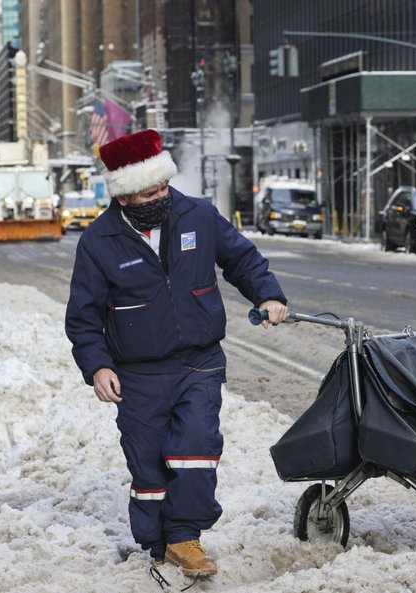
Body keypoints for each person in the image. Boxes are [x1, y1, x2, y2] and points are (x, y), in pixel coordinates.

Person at [65, 129, 288, 578]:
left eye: (163, 186)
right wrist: (98, 366)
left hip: (199, 360)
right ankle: (157, 543)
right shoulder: (99, 241)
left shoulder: (198, 215)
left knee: (195, 448)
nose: (161, 197)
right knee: (147, 461)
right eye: (149, 192)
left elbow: (242, 259)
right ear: (126, 197)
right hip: (137, 373)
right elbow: (83, 316)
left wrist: (266, 295)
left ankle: (186, 537)